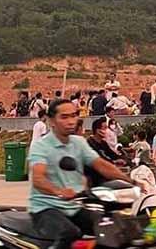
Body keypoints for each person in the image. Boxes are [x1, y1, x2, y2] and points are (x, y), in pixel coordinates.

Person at [28, 99, 132, 249]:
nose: (71, 121)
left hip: (74, 206)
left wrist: (128, 180)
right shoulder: (41, 146)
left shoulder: (79, 143)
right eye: (64, 117)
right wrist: (59, 191)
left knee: (111, 228)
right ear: (51, 120)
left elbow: (100, 165)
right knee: (69, 233)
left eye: (73, 116)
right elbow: (38, 178)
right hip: (45, 208)